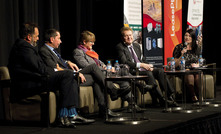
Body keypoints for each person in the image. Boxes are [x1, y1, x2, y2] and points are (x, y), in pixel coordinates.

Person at [8, 23, 95, 128]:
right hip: (29, 84)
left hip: (35, 80)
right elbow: (39, 68)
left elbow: (38, 67)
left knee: (68, 75)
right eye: (36, 36)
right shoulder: (24, 48)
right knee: (67, 74)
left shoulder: (24, 47)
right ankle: (63, 116)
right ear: (29, 37)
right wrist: (55, 70)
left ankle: (72, 114)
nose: (38, 39)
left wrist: (56, 70)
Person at [39, 29, 130, 117]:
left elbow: (61, 62)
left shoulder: (53, 51)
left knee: (96, 78)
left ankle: (104, 109)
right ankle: (112, 91)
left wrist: (68, 62)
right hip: (68, 75)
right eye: (59, 38)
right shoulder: (45, 50)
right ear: (51, 39)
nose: (61, 41)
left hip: (73, 72)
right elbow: (54, 68)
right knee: (94, 69)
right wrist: (75, 73)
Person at [73, 30, 142, 112]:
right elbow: (87, 66)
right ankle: (136, 85)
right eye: (91, 42)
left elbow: (100, 62)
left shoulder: (92, 51)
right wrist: (104, 68)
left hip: (100, 73)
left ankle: (132, 103)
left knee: (122, 80)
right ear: (84, 42)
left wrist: (106, 66)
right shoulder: (78, 52)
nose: (93, 44)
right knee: (122, 72)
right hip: (91, 74)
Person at [116, 26, 177, 107]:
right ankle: (161, 99)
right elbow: (124, 62)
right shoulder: (120, 47)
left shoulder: (136, 46)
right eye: (126, 36)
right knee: (148, 73)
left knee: (160, 71)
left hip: (142, 68)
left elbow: (142, 59)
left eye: (130, 35)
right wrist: (141, 65)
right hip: (132, 71)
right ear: (122, 37)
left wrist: (148, 65)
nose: (129, 37)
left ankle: (171, 96)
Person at [173, 29, 202, 102]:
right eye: (186, 35)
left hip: (194, 69)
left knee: (198, 74)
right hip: (183, 70)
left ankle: (199, 95)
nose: (187, 37)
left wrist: (197, 64)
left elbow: (199, 61)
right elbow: (175, 64)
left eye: (189, 36)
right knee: (190, 75)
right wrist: (181, 55)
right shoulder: (179, 47)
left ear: (193, 38)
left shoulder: (196, 48)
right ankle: (193, 96)